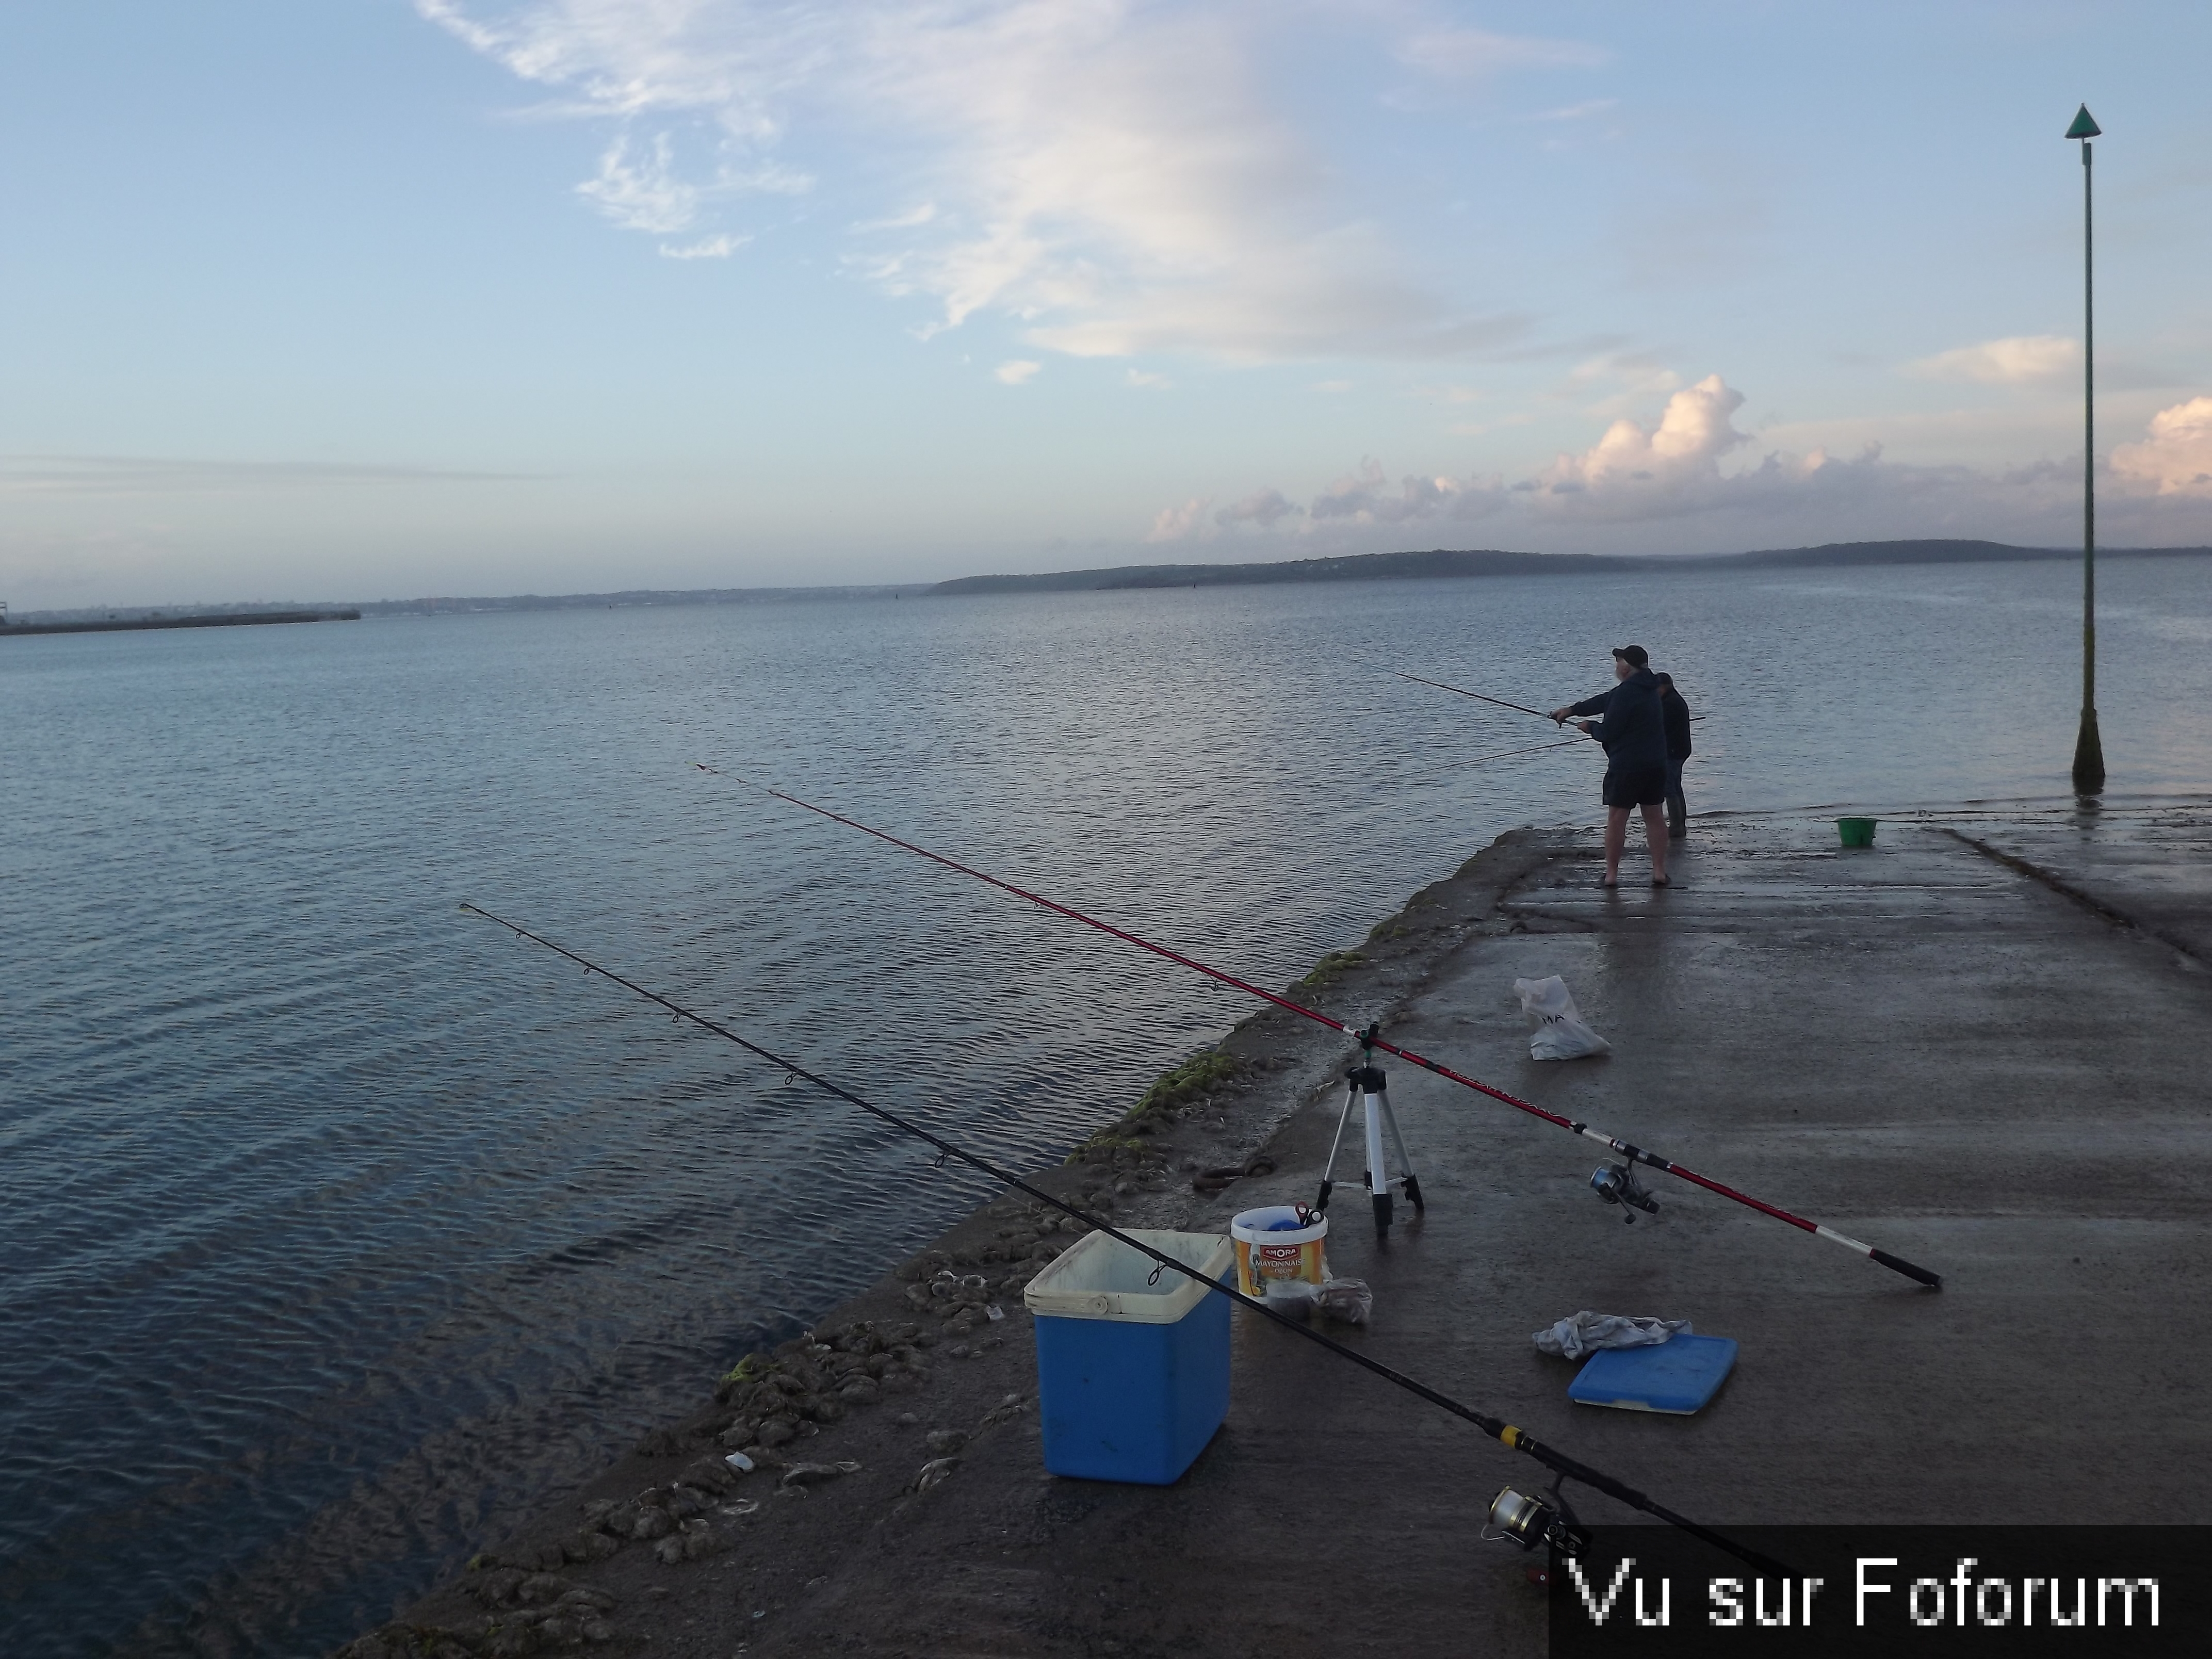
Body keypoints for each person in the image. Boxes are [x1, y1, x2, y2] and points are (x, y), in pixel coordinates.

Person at [1549, 645, 1670, 889]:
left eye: (1618, 662)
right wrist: (1572, 710)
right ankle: (1659, 872)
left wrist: (1590, 727)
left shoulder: (1625, 694)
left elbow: (1609, 733)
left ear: (1626, 667)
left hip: (1627, 766)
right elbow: (1607, 699)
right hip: (1656, 764)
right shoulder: (1650, 687)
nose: (1616, 667)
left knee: (1617, 818)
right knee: (1654, 817)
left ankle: (1612, 875)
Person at [1655, 672, 1692, 838]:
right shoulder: (1674, 700)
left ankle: (1676, 828)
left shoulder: (1669, 703)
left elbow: (1659, 727)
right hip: (1681, 749)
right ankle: (1679, 825)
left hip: (1673, 751)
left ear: (1663, 687)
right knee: (1676, 787)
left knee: (1669, 788)